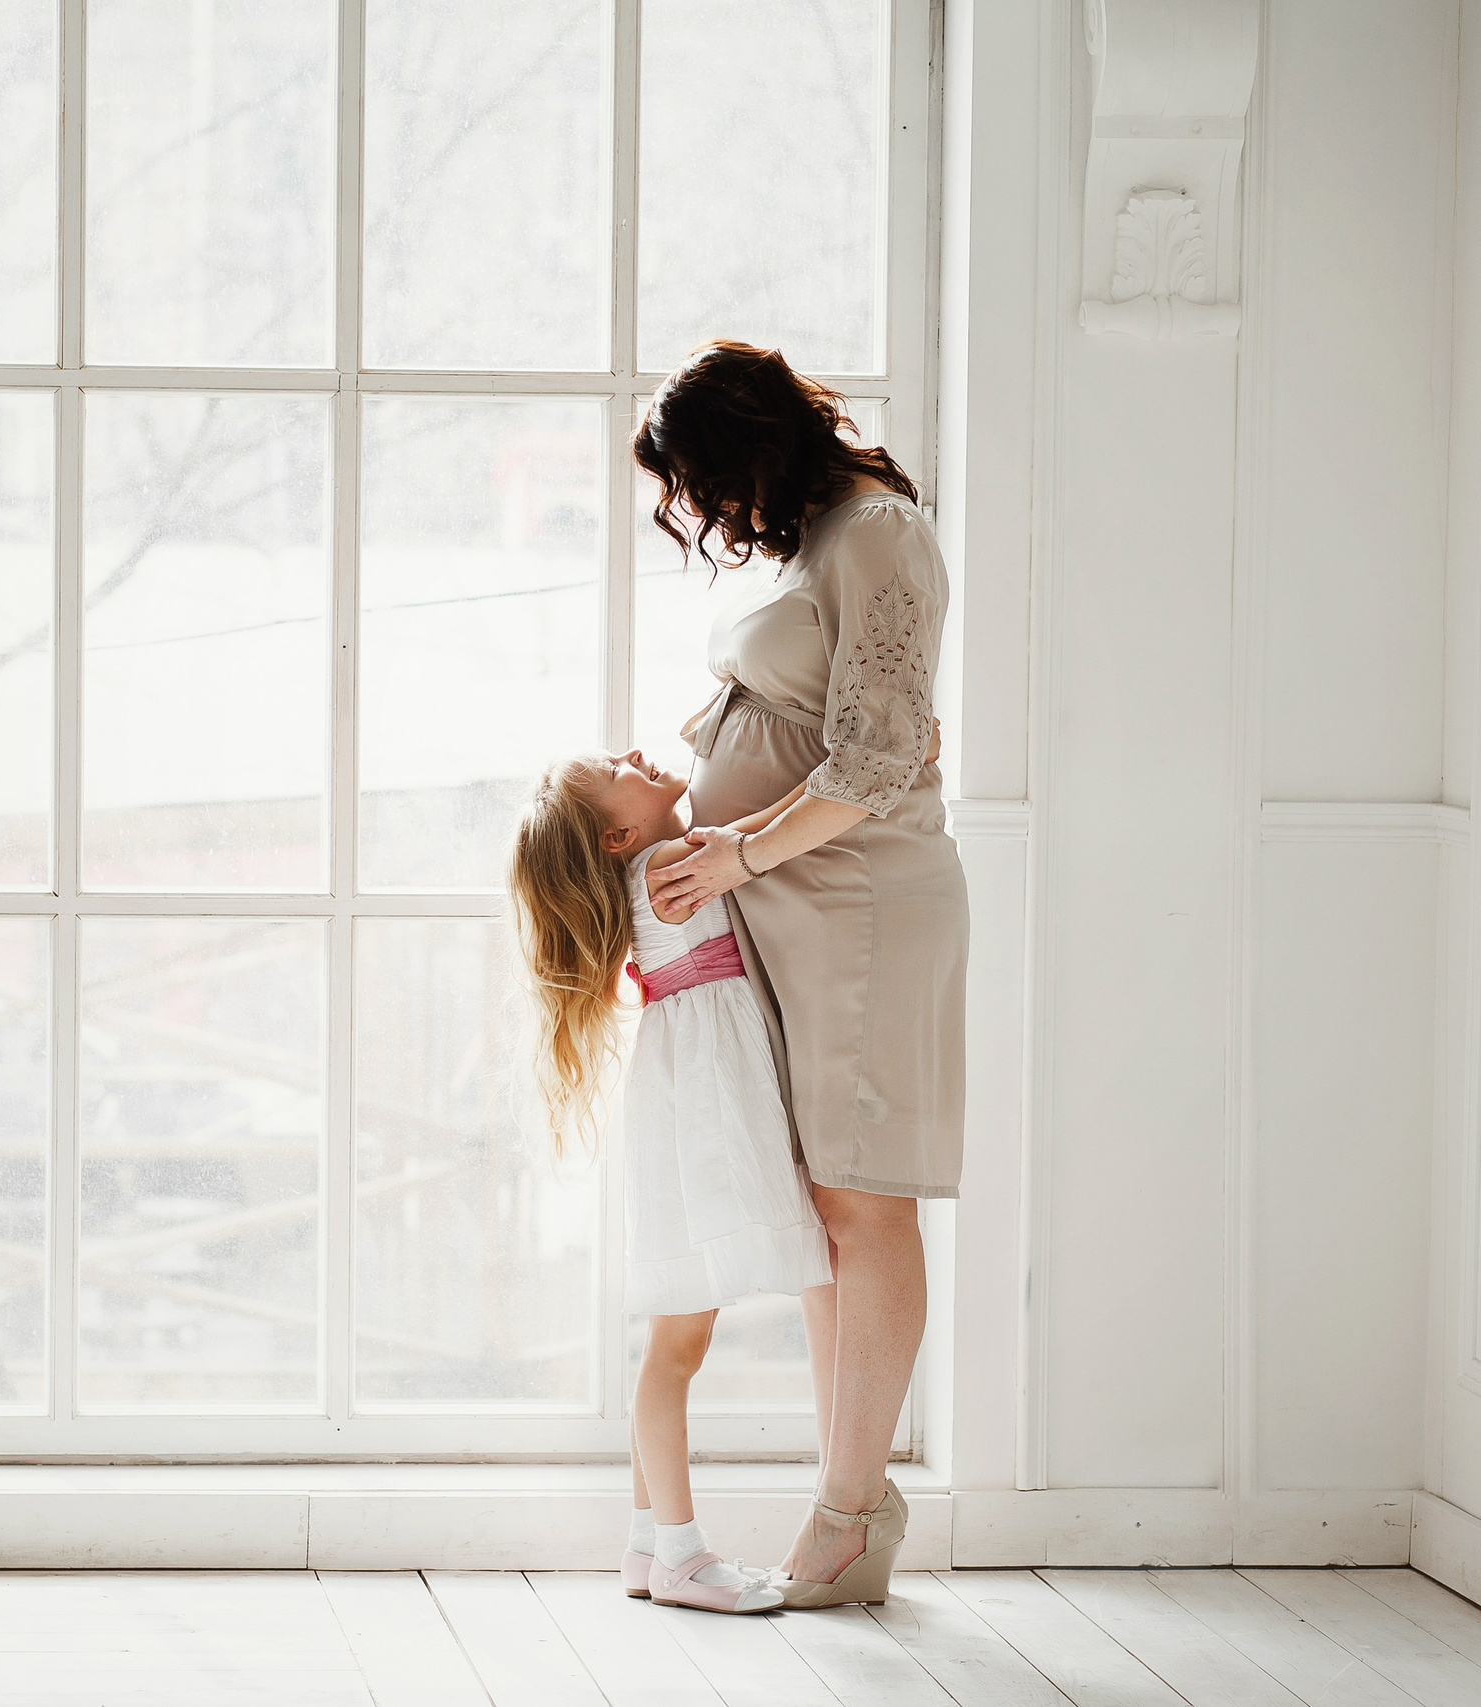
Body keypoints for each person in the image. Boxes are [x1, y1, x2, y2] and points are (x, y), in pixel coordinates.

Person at [639, 340, 968, 1608]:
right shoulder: (815, 538)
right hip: (788, 902)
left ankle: (848, 1519)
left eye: (711, 483)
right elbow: (824, 720)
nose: (712, 515)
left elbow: (879, 756)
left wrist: (736, 848)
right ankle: (843, 1506)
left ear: (758, 444)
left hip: (860, 908)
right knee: (829, 1212)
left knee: (864, 1200)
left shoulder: (875, 531)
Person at [509, 749, 829, 1615]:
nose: (633, 754)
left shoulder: (653, 865)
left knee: (676, 1342)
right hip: (705, 1113)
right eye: (615, 766)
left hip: (690, 1101)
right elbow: (767, 836)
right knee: (677, 1347)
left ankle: (651, 1544)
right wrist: (860, 772)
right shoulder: (667, 866)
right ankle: (683, 1554)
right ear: (621, 833)